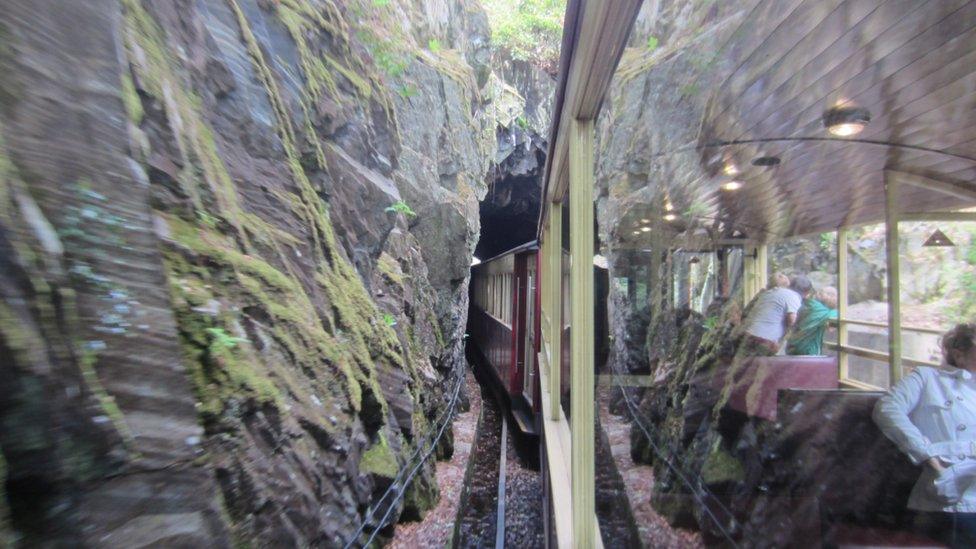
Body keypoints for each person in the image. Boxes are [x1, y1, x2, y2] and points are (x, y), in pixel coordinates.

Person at [873, 324, 976, 548]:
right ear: (959, 355)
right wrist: (927, 456)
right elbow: (888, 409)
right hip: (951, 487)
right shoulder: (928, 378)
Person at [740, 274, 812, 356]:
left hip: (746, 336)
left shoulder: (769, 292)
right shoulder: (794, 296)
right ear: (806, 294)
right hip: (765, 341)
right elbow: (792, 321)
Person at [786, 286, 838, 356]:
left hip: (791, 347)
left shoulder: (807, 305)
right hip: (807, 351)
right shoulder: (822, 311)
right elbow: (831, 328)